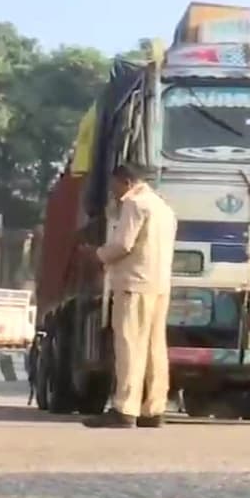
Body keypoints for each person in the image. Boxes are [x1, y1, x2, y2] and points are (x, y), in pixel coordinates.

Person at [81, 162, 178, 429]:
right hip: (159, 285)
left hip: (134, 284)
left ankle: (125, 408)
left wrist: (97, 255)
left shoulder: (134, 204)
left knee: (129, 346)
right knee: (154, 348)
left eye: (114, 184)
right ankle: (154, 409)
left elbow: (123, 244)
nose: (113, 191)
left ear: (126, 181)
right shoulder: (164, 208)